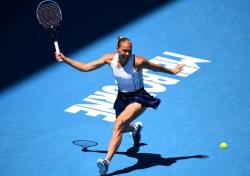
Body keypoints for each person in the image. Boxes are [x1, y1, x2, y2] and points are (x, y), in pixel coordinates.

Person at [55, 36, 185, 175]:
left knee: (118, 124)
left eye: (130, 51)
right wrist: (66, 60)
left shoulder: (138, 61)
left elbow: (155, 67)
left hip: (138, 97)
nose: (127, 54)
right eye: (124, 51)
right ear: (117, 49)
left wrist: (173, 71)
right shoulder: (109, 59)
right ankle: (135, 128)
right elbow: (86, 67)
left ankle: (106, 163)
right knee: (122, 129)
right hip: (122, 98)